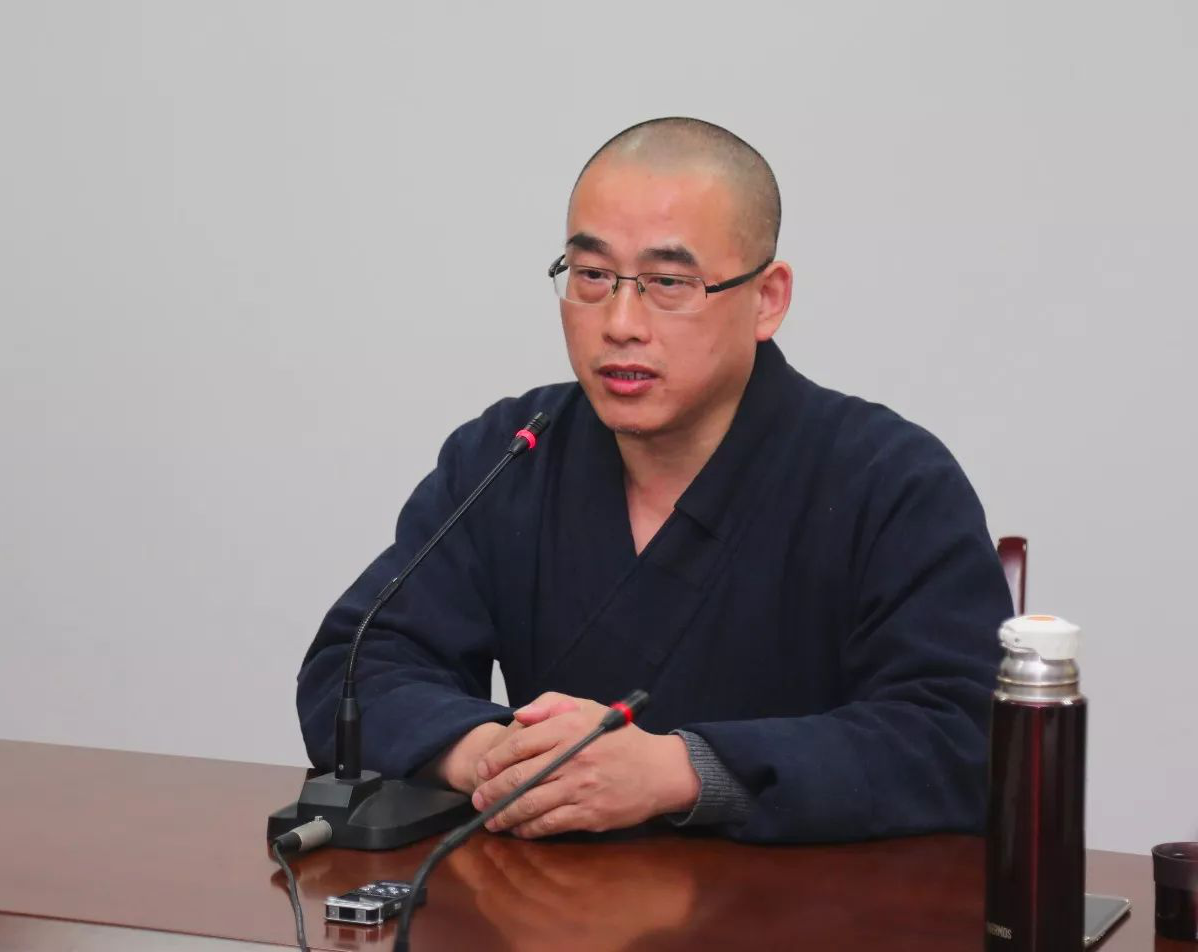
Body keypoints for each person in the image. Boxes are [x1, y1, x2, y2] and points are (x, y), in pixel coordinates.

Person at [296, 117, 1013, 844]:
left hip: (803, 897)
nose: (620, 322)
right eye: (592, 276)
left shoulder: (887, 479)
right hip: (549, 897)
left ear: (768, 298)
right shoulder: (511, 453)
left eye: (668, 283)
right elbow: (353, 669)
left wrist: (682, 771)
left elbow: (960, 735)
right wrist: (501, 759)